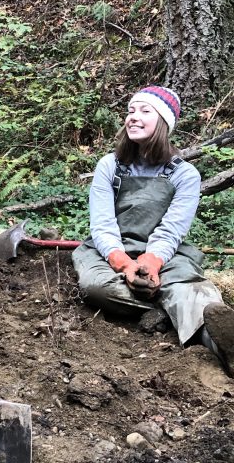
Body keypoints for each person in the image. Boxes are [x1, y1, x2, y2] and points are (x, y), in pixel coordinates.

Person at [72, 85, 234, 372]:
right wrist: (123, 263)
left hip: (162, 255)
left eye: (145, 111)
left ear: (164, 122)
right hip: (110, 252)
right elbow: (102, 224)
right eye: (130, 111)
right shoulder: (110, 166)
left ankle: (224, 348)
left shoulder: (185, 175)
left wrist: (151, 262)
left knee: (196, 293)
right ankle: (168, 311)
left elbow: (171, 230)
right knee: (95, 287)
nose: (133, 117)